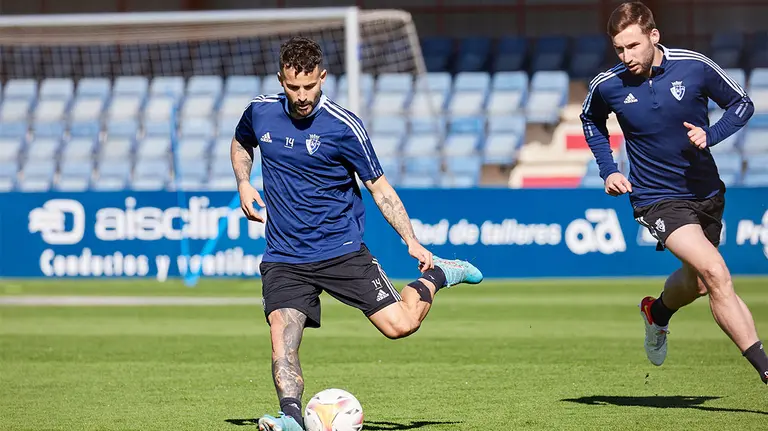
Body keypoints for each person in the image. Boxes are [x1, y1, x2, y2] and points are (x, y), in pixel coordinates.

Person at [230, 36, 483, 431]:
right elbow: (241, 143)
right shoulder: (259, 113)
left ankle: (439, 275)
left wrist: (410, 239)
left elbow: (379, 188)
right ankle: (291, 417)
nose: (301, 96)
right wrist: (244, 183)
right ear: (281, 79)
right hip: (284, 257)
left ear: (323, 78)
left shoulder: (344, 126)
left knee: (401, 325)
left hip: (340, 251)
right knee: (283, 331)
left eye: (309, 86)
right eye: (293, 87)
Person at [581, 1, 768, 385]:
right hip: (656, 198)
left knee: (697, 283)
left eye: (633, 46)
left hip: (706, 193)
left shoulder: (694, 66)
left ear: (654, 36)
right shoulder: (608, 85)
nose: (626, 56)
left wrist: (711, 134)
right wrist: (609, 169)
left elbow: (742, 104)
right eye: (619, 48)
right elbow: (591, 120)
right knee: (716, 273)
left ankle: (657, 312)